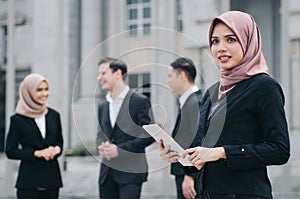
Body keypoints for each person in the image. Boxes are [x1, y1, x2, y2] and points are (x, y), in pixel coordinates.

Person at [159, 10, 290, 199]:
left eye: (230, 39)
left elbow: (280, 150)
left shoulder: (264, 87)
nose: (220, 48)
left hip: (245, 193)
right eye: (215, 41)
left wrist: (222, 153)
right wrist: (177, 155)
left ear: (248, 40)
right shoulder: (212, 92)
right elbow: (202, 150)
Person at [96, 57, 155, 199]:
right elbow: (100, 134)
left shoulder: (140, 101)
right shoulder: (103, 105)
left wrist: (119, 150)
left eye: (103, 73)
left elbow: (148, 134)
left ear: (117, 74)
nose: (99, 78)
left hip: (131, 173)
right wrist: (102, 146)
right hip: (107, 173)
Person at [5, 73, 63, 199]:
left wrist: (56, 150)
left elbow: (59, 142)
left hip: (52, 181)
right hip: (29, 183)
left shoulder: (54, 115)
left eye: (46, 89)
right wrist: (37, 153)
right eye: (39, 90)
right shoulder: (17, 120)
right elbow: (10, 151)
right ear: (28, 92)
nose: (44, 94)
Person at [167, 57, 202, 199]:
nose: (167, 80)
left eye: (170, 76)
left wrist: (190, 175)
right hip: (185, 172)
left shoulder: (196, 103)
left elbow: (198, 140)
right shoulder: (188, 102)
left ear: (182, 75)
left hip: (190, 176)